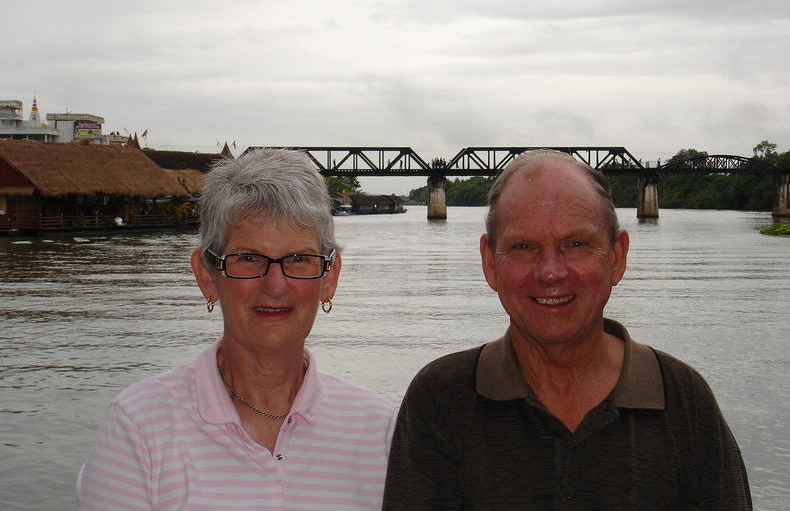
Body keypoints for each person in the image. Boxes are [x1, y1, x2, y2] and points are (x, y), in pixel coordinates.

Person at [383, 149, 751, 510]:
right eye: (523, 246)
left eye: (576, 244)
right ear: (489, 263)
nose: (550, 272)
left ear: (617, 257)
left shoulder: (684, 400)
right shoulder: (441, 398)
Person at [77, 148, 397, 510]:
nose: (275, 285)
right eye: (248, 258)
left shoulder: (380, 431)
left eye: (298, 259)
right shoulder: (139, 427)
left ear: (330, 278)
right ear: (206, 276)